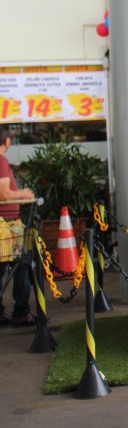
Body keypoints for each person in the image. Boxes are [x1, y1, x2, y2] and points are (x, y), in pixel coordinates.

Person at [0, 126, 36, 327]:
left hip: (5, 226)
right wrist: (23, 194)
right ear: (6, 142)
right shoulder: (1, 160)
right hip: (8, 226)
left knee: (2, 268)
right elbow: (3, 194)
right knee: (21, 265)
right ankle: (21, 312)